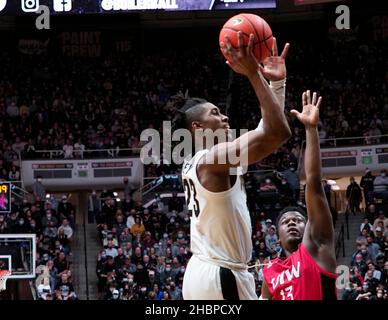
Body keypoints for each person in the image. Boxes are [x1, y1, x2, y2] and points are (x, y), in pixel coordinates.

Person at [179, 32, 291, 300]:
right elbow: (277, 133)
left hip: (209, 270)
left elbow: (269, 132)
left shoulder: (205, 161)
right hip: (221, 273)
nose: (225, 116)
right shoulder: (213, 159)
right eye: (215, 113)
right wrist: (253, 73)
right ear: (198, 128)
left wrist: (276, 85)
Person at [261, 91, 337, 300]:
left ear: (309, 227)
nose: (292, 223)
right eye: (285, 222)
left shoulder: (318, 247)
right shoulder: (270, 273)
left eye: (298, 220)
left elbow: (313, 183)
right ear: (276, 235)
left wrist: (310, 130)